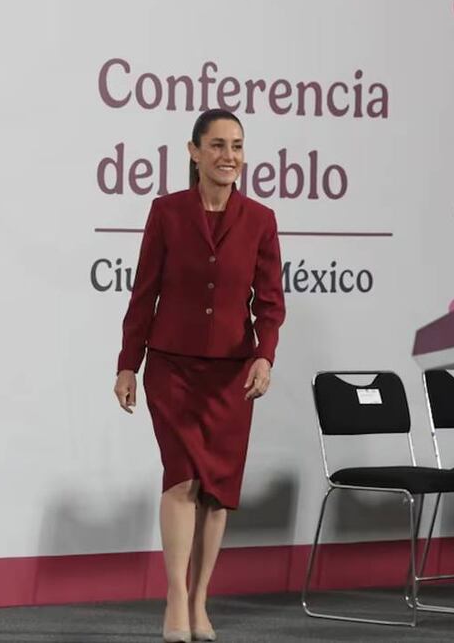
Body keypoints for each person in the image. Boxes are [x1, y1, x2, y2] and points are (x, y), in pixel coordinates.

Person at [113, 109, 286, 642]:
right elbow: (144, 293)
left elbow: (270, 304)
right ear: (194, 152)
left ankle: (200, 598)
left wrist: (264, 356)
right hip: (172, 369)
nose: (228, 156)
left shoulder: (260, 220)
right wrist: (128, 363)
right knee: (182, 477)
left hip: (232, 376)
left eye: (236, 146)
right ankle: (174, 596)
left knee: (216, 490)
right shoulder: (166, 213)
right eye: (217, 145)